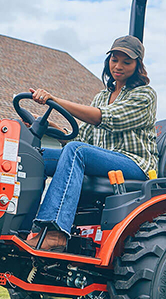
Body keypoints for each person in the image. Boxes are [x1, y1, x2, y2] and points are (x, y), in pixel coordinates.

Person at [26, 35, 158, 251]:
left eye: (127, 62)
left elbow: (104, 118)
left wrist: (55, 100)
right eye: (115, 59)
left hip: (134, 164)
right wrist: (48, 124)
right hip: (101, 160)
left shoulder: (145, 95)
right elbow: (80, 140)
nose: (119, 66)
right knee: (35, 157)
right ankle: (24, 228)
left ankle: (55, 231)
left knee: (77, 151)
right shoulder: (100, 97)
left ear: (138, 66)